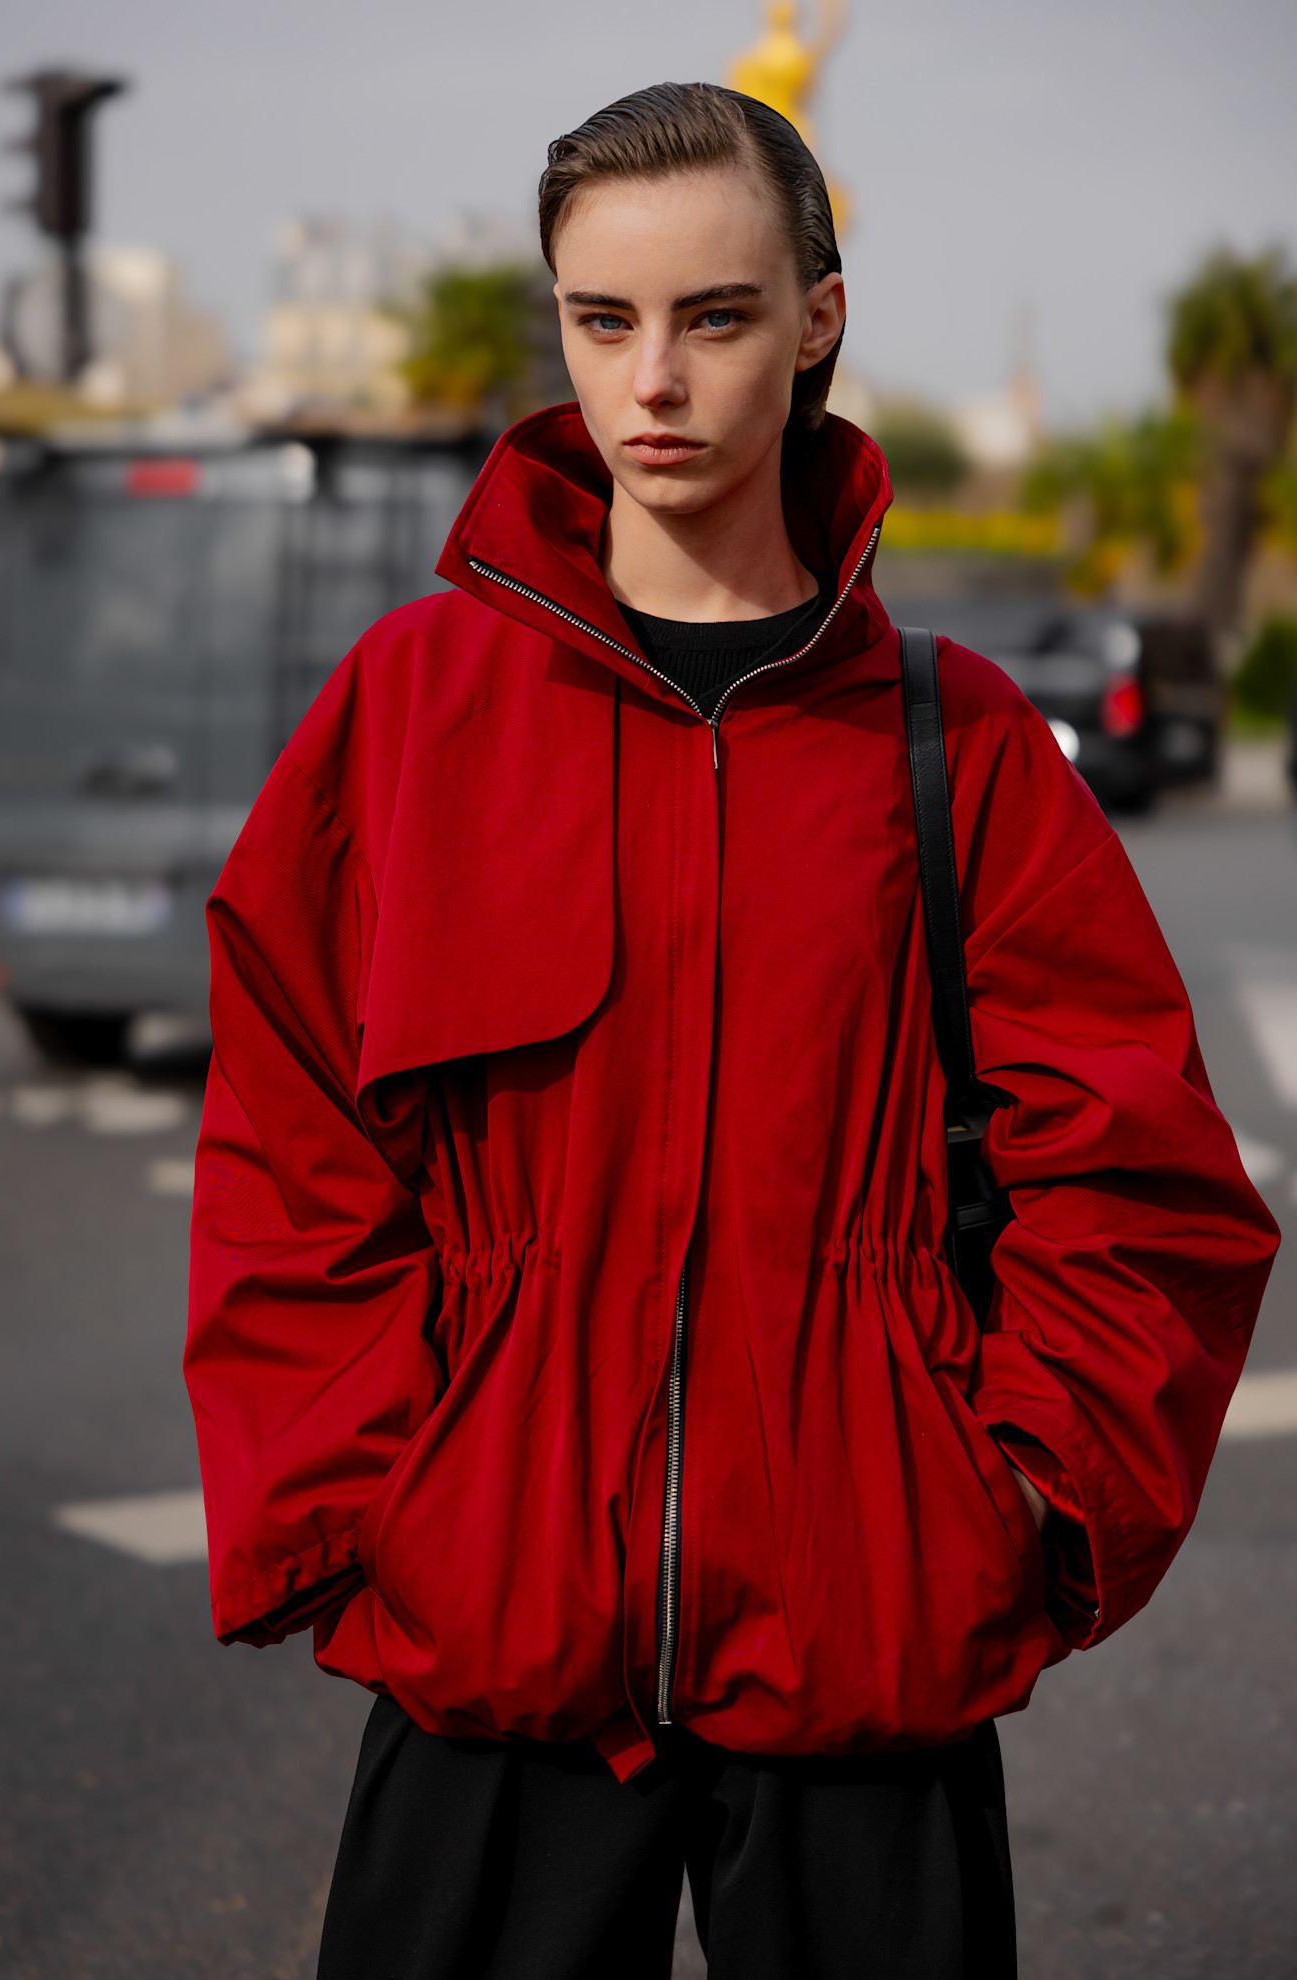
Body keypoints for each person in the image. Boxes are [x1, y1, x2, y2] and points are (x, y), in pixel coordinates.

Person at [185, 83, 1278, 1979]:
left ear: (819, 318)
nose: (654, 381)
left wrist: (1006, 1509)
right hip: (496, 1649)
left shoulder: (963, 740)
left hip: (869, 1645)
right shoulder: (412, 710)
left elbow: (1141, 1174)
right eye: (602, 321)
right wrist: (378, 1509)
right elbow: (289, 1147)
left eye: (714, 315)